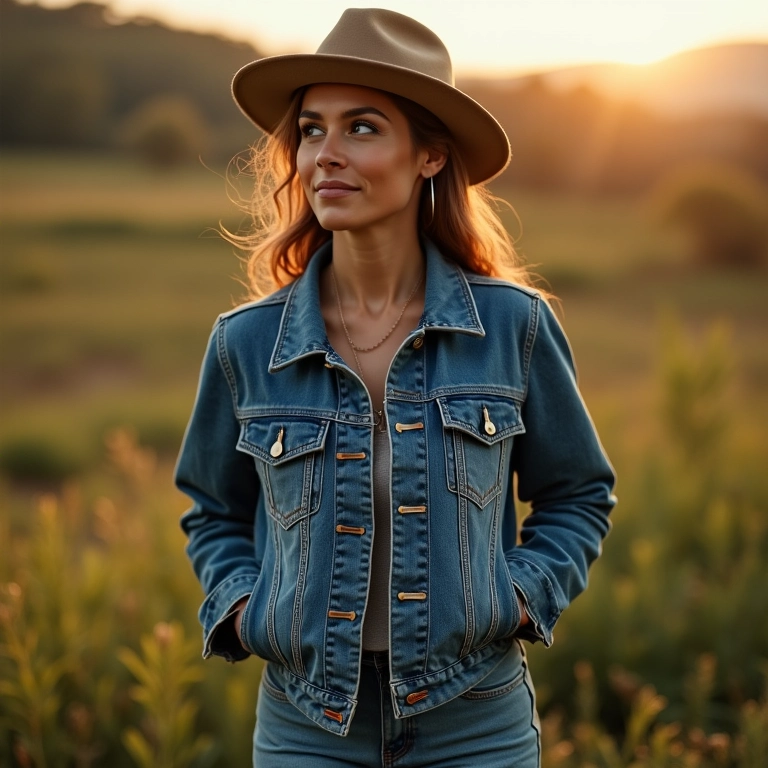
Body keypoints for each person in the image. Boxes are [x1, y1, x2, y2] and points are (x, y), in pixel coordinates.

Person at [175, 8, 616, 767]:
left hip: (474, 722)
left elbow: (578, 494)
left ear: (430, 157)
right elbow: (213, 510)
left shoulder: (513, 327)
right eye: (311, 129)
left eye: (363, 128)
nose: (326, 154)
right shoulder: (246, 342)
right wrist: (246, 610)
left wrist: (517, 598)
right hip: (307, 726)